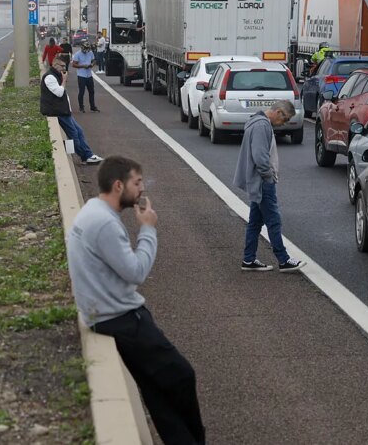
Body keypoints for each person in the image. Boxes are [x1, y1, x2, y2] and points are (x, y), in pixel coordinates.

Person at [67, 156, 205, 445]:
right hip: (123, 321)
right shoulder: (105, 223)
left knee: (157, 391)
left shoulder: (92, 211)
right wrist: (148, 228)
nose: (141, 189)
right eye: (137, 183)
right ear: (119, 186)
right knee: (181, 376)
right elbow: (135, 272)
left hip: (103, 315)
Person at [234, 101, 306, 273]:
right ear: (279, 112)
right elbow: (260, 157)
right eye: (285, 119)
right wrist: (269, 177)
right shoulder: (261, 126)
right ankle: (284, 259)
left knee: (255, 222)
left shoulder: (257, 122)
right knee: (273, 220)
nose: (284, 123)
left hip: (257, 180)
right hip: (262, 182)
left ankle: (249, 259)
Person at [40, 57, 104, 165]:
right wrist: (64, 80)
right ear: (55, 65)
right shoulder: (50, 77)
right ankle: (85, 156)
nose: (65, 69)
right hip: (57, 112)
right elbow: (59, 93)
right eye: (62, 66)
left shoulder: (56, 76)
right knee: (73, 134)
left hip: (63, 111)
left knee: (79, 131)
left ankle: (88, 155)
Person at [72, 41, 100, 113]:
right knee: (81, 92)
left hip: (89, 75)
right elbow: (74, 64)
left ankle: (92, 106)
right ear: (82, 48)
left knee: (91, 91)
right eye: (85, 48)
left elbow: (94, 60)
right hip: (81, 75)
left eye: (88, 49)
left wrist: (92, 64)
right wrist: (82, 66)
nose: (86, 50)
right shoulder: (77, 54)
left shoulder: (90, 53)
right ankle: (81, 107)